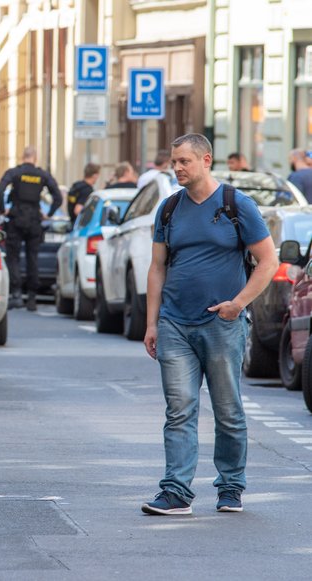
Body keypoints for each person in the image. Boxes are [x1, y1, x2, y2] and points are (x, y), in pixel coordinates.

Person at [142, 133, 277, 515]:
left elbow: (268, 262)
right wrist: (152, 323)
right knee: (179, 409)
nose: (177, 168)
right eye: (174, 162)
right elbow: (157, 268)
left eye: (184, 161)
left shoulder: (237, 205)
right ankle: (176, 492)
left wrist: (238, 304)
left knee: (227, 409)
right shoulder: (169, 208)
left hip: (222, 324)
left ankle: (231, 487)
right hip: (174, 324)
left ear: (206, 159)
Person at [0, 146, 61, 311]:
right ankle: (32, 298)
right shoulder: (42, 175)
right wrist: (49, 214)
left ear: (22, 156)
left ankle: (17, 294)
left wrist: (3, 209)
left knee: (13, 257)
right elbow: (58, 197)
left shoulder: (15, 172)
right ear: (35, 157)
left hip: (16, 217)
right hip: (34, 219)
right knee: (33, 258)